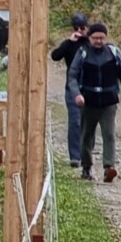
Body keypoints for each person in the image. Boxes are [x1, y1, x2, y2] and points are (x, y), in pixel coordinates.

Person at [69, 20, 121, 182]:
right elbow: (72, 76)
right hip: (88, 102)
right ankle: (86, 167)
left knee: (109, 134)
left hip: (109, 102)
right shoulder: (82, 53)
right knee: (86, 135)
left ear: (106, 38)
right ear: (89, 38)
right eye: (95, 38)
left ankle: (108, 167)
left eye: (101, 38)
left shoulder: (114, 53)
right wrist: (77, 94)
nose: (98, 41)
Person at [52, 12, 90, 166]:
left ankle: (86, 155)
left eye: (82, 27)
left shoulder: (91, 42)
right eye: (76, 27)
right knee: (75, 121)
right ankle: (75, 156)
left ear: (87, 27)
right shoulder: (70, 43)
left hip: (89, 87)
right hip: (72, 88)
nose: (80, 30)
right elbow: (55, 56)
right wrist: (68, 41)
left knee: (87, 122)